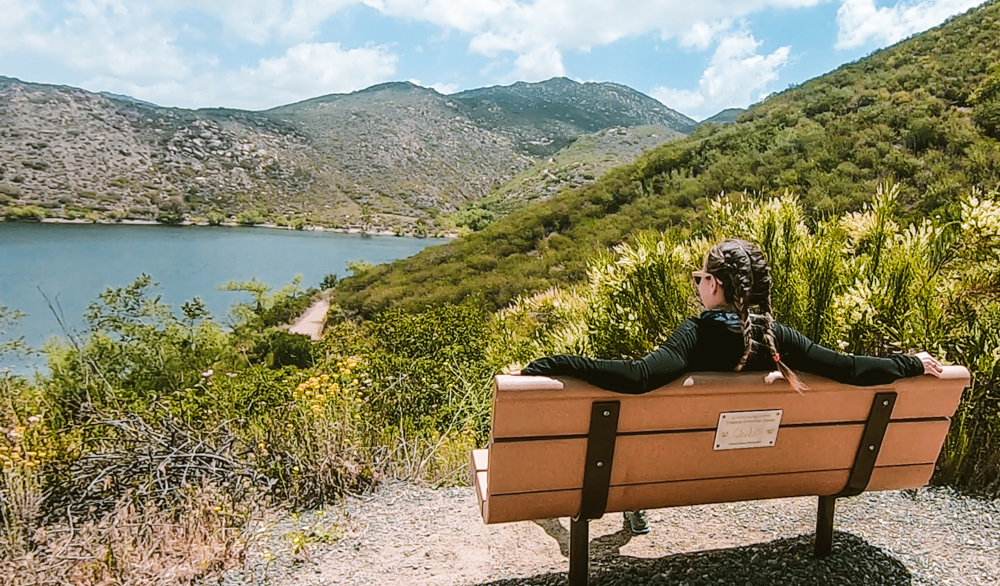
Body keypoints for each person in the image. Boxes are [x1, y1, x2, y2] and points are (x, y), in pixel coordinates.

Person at [514, 238, 943, 534]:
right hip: (751, 469)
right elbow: (849, 368)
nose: (698, 285)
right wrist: (910, 363)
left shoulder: (697, 334)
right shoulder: (776, 338)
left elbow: (638, 378)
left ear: (714, 284)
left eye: (699, 277)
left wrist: (547, 364)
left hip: (664, 470)